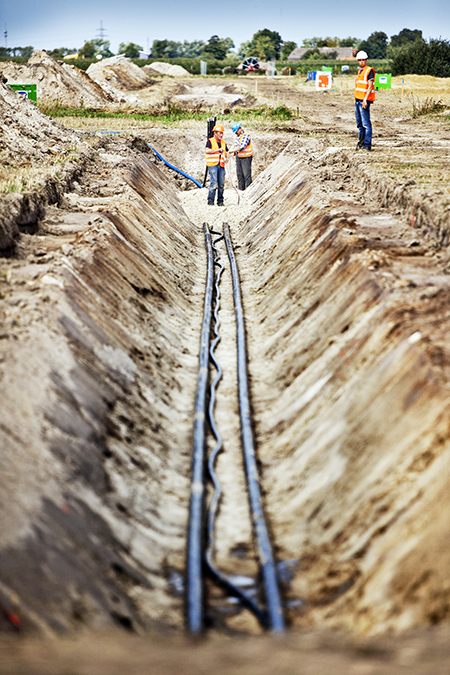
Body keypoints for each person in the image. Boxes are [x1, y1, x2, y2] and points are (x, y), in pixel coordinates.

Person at [354, 50, 375, 151]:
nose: (362, 62)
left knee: (366, 124)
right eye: (360, 60)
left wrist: (365, 100)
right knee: (360, 124)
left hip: (364, 101)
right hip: (358, 100)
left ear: (366, 60)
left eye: (363, 60)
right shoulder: (360, 71)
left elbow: (370, 86)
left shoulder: (369, 70)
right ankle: (361, 143)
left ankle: (367, 145)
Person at [205, 124, 228, 206]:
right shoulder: (210, 141)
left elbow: (226, 152)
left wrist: (226, 158)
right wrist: (217, 150)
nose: (221, 135)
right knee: (214, 183)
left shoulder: (223, 143)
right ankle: (210, 201)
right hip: (213, 165)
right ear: (215, 133)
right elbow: (207, 150)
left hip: (221, 165)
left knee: (221, 184)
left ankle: (220, 201)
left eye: (222, 133)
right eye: (219, 133)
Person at [230, 122, 253, 190]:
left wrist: (233, 150)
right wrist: (230, 150)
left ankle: (249, 191)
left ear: (239, 129)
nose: (235, 133)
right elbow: (235, 145)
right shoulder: (237, 137)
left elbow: (241, 146)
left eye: (236, 131)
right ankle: (241, 190)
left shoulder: (246, 136)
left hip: (246, 158)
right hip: (239, 158)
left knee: (246, 176)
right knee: (240, 176)